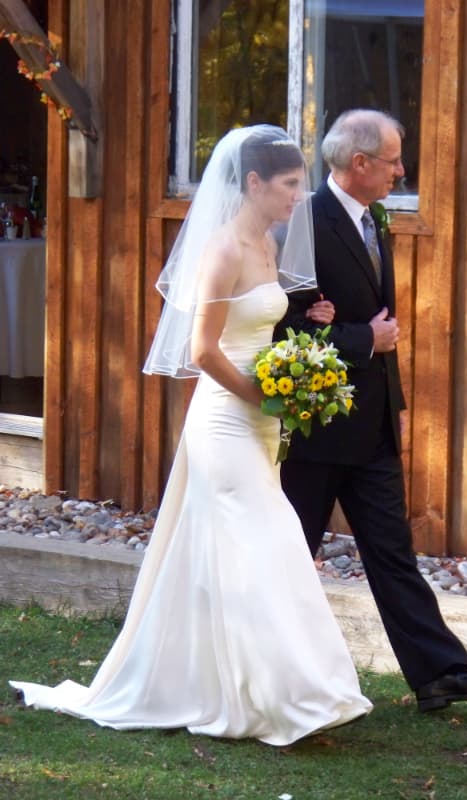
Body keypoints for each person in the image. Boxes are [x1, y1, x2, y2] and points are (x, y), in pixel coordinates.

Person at [10, 125, 372, 746]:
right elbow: (204, 350)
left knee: (225, 553)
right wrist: (265, 393)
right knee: (269, 542)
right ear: (253, 182)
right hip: (225, 424)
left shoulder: (267, 243)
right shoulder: (224, 250)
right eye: (288, 185)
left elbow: (259, 324)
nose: (297, 197)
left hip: (260, 424)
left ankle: (234, 685)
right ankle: (293, 695)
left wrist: (311, 329)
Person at [277, 109, 467, 713]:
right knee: (292, 553)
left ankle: (440, 675)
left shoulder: (376, 217)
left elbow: (388, 326)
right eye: (392, 161)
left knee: (392, 550)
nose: (400, 171)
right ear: (359, 164)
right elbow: (284, 329)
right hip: (317, 429)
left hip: (373, 424)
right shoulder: (306, 220)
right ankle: (258, 671)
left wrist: (394, 404)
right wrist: (359, 343)